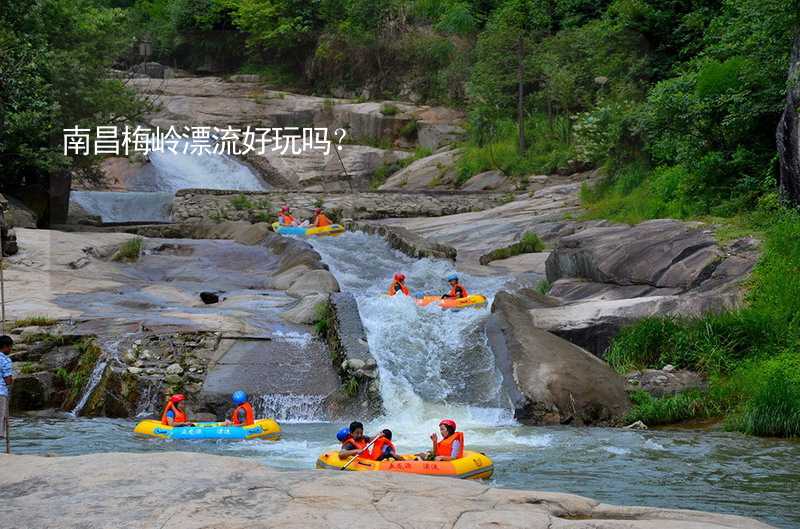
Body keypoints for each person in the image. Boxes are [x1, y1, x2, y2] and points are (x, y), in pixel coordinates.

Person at [0, 336, 13, 442]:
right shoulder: (5, 359)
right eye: (10, 347)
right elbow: (8, 380)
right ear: (5, 346)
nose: (11, 350)